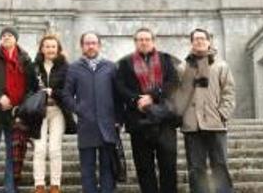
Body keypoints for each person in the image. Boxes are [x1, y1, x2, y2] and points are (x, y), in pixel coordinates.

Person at [115, 27, 180, 193]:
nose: (144, 42)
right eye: (140, 39)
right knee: (144, 168)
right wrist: (137, 99)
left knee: (168, 167)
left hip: (164, 120)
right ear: (135, 42)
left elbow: (173, 83)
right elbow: (120, 87)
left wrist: (152, 96)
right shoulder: (125, 63)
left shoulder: (166, 60)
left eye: (147, 39)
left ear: (153, 41)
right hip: (139, 121)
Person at [173, 28, 236, 193]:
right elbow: (179, 95)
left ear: (209, 42)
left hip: (215, 124)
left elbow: (228, 92)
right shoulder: (182, 67)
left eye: (202, 38)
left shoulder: (220, 65)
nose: (199, 41)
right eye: (195, 39)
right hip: (192, 126)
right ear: (191, 43)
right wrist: (181, 116)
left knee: (220, 165)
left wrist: (222, 114)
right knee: (196, 168)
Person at [0, 26, 38, 193]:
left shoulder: (25, 60)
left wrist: (20, 104)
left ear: (16, 39)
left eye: (10, 35)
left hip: (16, 115)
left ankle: (10, 189)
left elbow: (31, 87)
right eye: (4, 35)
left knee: (13, 155)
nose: (6, 37)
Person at [62, 32, 120, 193]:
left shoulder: (111, 67)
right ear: (82, 46)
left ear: (99, 45)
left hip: (107, 126)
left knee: (107, 169)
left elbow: (118, 96)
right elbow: (66, 95)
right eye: (87, 43)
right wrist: (78, 109)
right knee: (87, 170)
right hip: (86, 125)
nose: (91, 46)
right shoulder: (74, 68)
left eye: (94, 43)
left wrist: (118, 119)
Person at [31, 34, 77, 193]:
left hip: (58, 111)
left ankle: (55, 185)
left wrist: (53, 92)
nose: (50, 49)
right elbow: (27, 89)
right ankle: (39, 185)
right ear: (42, 49)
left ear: (58, 49)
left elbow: (69, 90)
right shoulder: (34, 66)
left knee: (55, 149)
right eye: (47, 46)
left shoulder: (66, 67)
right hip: (38, 112)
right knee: (39, 148)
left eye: (53, 46)